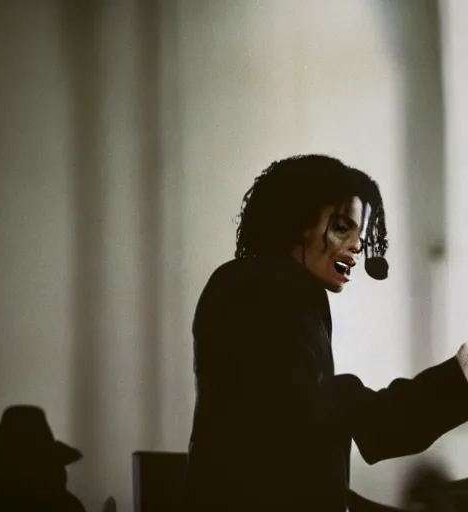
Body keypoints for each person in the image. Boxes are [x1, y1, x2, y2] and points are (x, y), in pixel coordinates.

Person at [182, 155, 468, 512]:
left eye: (359, 234)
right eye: (342, 228)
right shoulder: (251, 288)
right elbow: (316, 407)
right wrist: (460, 375)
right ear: (298, 223)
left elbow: (309, 452)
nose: (356, 246)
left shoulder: (287, 291)